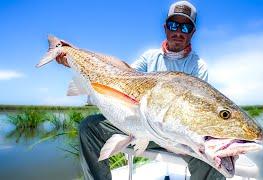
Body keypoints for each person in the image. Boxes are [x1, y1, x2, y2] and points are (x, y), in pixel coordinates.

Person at [56, 1, 225, 180]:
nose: (178, 32)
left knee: (214, 159)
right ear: (165, 27)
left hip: (177, 137)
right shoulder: (149, 57)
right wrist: (76, 54)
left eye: (185, 27)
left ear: (192, 32)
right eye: (173, 25)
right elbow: (124, 74)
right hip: (139, 125)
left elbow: (197, 116)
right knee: (88, 128)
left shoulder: (198, 67)